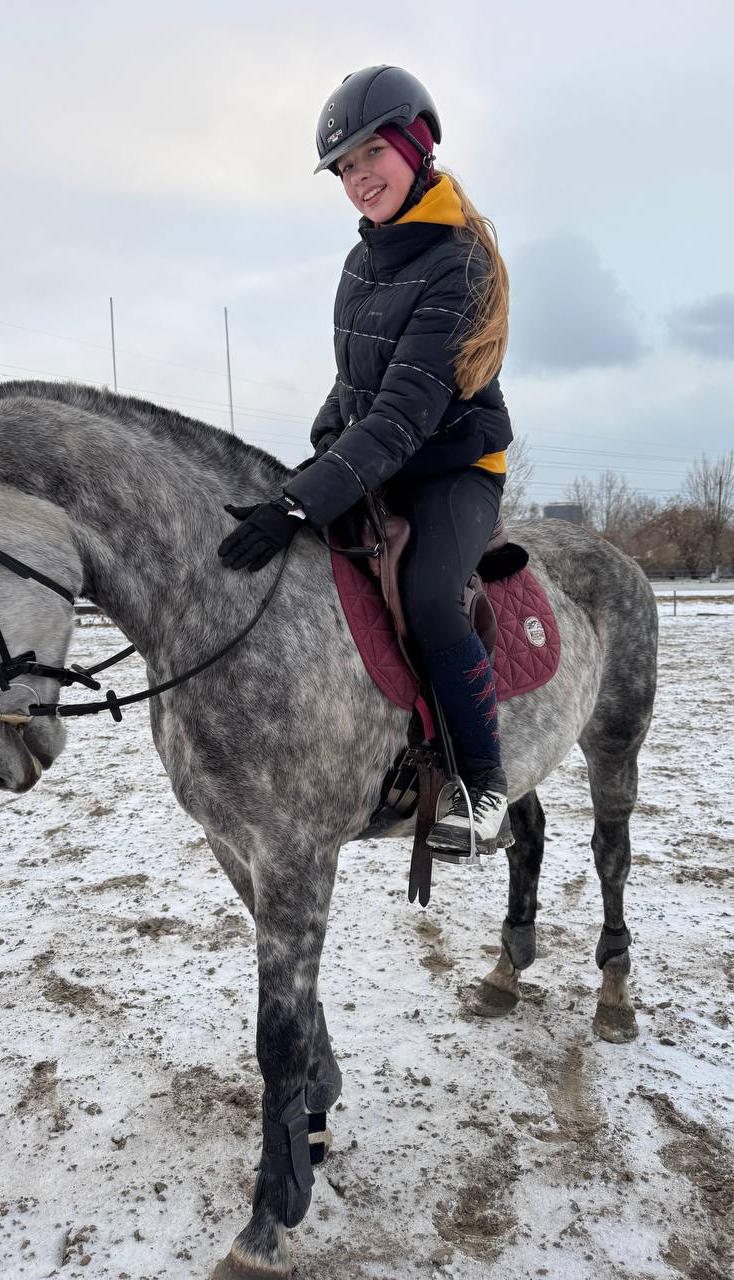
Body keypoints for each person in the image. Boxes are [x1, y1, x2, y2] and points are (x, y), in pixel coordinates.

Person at [217, 65, 514, 854]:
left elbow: (406, 410)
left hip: (453, 468)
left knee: (424, 595)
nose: (356, 179)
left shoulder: (460, 263)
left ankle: (482, 782)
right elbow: (356, 387)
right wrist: (309, 462)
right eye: (343, 168)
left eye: (369, 155)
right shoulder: (362, 262)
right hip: (382, 459)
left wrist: (299, 501)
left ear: (416, 144)